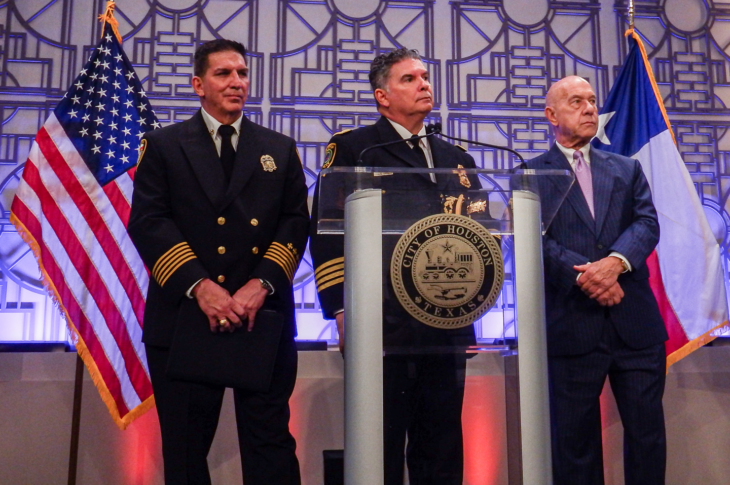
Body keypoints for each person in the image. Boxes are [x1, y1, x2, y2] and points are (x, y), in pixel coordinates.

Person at [127, 39, 308, 485]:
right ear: (198, 85)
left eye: (242, 73)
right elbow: (150, 222)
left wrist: (260, 285)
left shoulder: (278, 149)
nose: (236, 82)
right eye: (224, 74)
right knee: (186, 452)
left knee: (271, 447)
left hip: (258, 316)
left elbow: (293, 223)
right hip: (187, 316)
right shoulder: (165, 145)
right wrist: (202, 286)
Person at [309, 48, 486, 485]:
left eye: (425, 76)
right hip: (382, 322)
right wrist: (340, 308)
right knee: (381, 447)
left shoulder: (457, 156)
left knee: (441, 446)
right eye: (409, 79)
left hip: (445, 320)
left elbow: (481, 235)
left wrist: (474, 308)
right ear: (382, 96)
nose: (424, 84)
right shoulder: (354, 147)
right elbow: (328, 234)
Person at [526, 75, 667, 485]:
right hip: (571, 326)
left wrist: (615, 264)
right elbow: (535, 241)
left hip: (635, 327)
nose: (589, 108)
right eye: (576, 102)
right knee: (574, 446)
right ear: (552, 115)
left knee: (647, 438)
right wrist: (588, 276)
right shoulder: (530, 175)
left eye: (591, 100)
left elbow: (647, 223)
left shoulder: (627, 168)